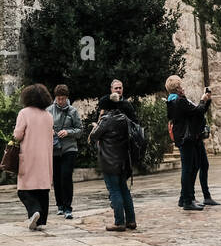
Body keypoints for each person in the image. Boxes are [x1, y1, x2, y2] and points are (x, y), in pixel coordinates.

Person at [90, 91, 137, 232]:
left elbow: (93, 136)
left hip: (109, 161)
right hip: (123, 161)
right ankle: (131, 221)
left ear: (105, 107)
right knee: (124, 190)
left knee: (114, 191)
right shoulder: (123, 118)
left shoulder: (106, 120)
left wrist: (96, 123)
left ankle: (119, 222)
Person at [166, 75, 212, 211]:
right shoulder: (179, 101)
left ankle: (185, 198)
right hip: (186, 138)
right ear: (177, 88)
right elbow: (197, 111)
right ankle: (187, 200)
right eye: (181, 86)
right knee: (188, 169)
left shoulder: (174, 101)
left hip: (185, 137)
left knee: (193, 166)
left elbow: (197, 112)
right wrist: (203, 100)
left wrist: (206, 101)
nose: (183, 88)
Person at [13, 84, 54, 230]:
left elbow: (18, 135)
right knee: (43, 189)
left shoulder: (24, 113)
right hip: (45, 157)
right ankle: (41, 221)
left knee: (23, 190)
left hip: (29, 156)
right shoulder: (49, 116)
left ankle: (34, 211)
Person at [47, 84, 82, 219]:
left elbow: (80, 131)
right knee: (57, 178)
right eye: (58, 98)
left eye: (63, 99)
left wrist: (68, 132)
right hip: (54, 149)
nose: (60, 101)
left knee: (66, 177)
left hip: (69, 148)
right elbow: (44, 127)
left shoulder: (73, 111)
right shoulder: (49, 110)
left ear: (66, 98)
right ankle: (60, 205)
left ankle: (68, 208)